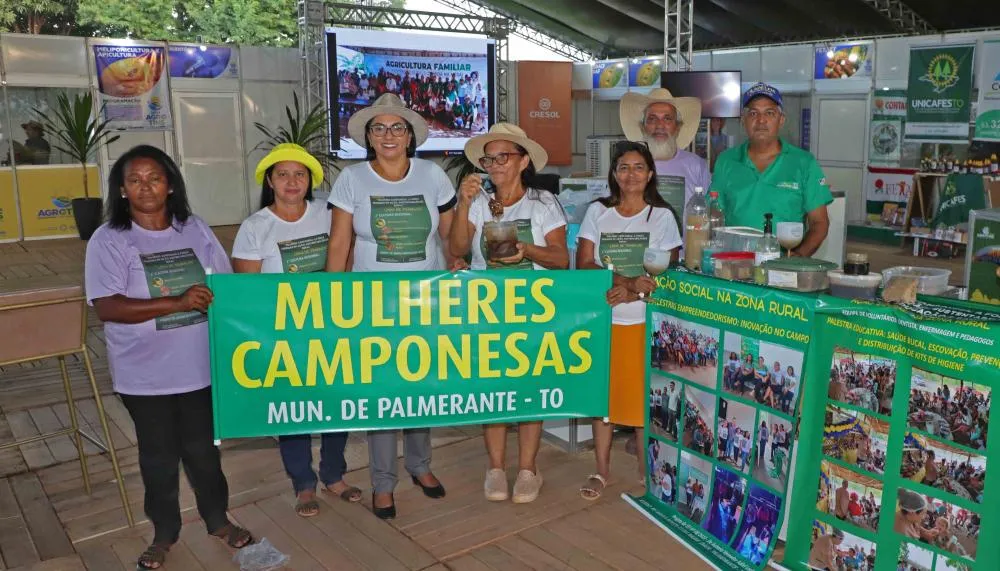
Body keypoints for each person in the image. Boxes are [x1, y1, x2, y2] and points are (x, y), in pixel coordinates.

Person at [84, 145, 252, 569]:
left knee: (204, 452)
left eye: (154, 178)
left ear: (171, 184)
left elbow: (226, 286)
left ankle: (218, 520)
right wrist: (177, 304)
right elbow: (107, 307)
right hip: (144, 375)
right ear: (121, 189)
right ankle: (163, 534)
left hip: (199, 369)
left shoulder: (193, 228)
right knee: (158, 457)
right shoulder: (109, 240)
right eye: (135, 180)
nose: (145, 187)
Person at [325, 93, 455, 520]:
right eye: (378, 128)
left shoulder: (433, 175)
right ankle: (383, 481)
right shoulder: (352, 179)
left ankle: (420, 466)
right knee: (382, 391)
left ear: (411, 135)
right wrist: (332, 294)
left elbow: (452, 237)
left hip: (426, 299)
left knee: (420, 386)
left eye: (396, 127)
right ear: (368, 136)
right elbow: (340, 240)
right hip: (372, 302)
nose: (388, 134)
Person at [231, 143, 362, 517]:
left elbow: (347, 256)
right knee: (294, 411)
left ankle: (334, 475)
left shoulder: (329, 214)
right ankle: (303, 484)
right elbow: (248, 292)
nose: (292, 181)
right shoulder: (255, 227)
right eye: (283, 174)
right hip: (284, 336)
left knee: (338, 406)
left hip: (332, 328)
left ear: (311, 181)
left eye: (300, 174)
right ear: (270, 180)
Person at [450, 123, 568, 504]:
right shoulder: (479, 201)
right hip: (488, 305)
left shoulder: (543, 202)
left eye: (504, 157)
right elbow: (457, 248)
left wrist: (527, 251)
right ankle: (497, 467)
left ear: (523, 161)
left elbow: (561, 259)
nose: (495, 164)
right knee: (493, 388)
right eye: (489, 158)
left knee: (529, 389)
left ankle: (529, 469)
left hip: (533, 305)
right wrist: (463, 203)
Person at [576, 141, 682, 500]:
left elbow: (667, 276)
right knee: (602, 401)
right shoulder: (597, 212)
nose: (631, 174)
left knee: (642, 401)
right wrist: (623, 283)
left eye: (639, 167)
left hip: (644, 321)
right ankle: (601, 471)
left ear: (650, 174)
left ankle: (645, 473)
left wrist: (636, 294)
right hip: (604, 320)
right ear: (614, 174)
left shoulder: (663, 217)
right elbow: (585, 264)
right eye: (623, 167)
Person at [711, 83, 833, 256]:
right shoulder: (726, 161)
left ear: (781, 120)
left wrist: (796, 258)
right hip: (734, 265)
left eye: (769, 113)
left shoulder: (804, 163)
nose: (761, 120)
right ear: (743, 121)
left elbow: (819, 223)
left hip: (782, 271)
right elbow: (714, 215)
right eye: (753, 113)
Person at [619, 88, 710, 220]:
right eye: (652, 119)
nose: (660, 126)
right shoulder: (626, 165)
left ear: (678, 127)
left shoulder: (696, 165)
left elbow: (708, 209)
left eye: (667, 119)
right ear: (642, 127)